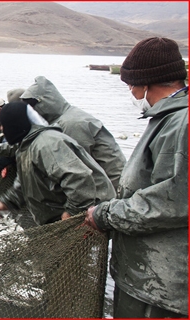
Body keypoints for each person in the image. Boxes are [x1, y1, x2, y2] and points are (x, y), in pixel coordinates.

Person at [84, 37, 188, 318]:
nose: (130, 91)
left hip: (162, 286)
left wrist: (105, 214)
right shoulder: (166, 118)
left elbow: (173, 200)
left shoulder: (182, 123)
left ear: (147, 83)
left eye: (131, 85)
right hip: (143, 275)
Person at [0, 101, 116, 225]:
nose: (1, 128)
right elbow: (25, 184)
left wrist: (71, 213)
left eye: (4, 124)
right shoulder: (25, 148)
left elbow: (79, 179)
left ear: (15, 124)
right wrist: (6, 202)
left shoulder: (47, 144)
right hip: (57, 214)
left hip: (89, 213)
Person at [19, 76, 126, 191]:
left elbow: (77, 168)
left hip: (113, 186)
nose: (33, 113)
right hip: (107, 183)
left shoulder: (71, 124)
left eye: (33, 107)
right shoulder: (65, 118)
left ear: (44, 102)